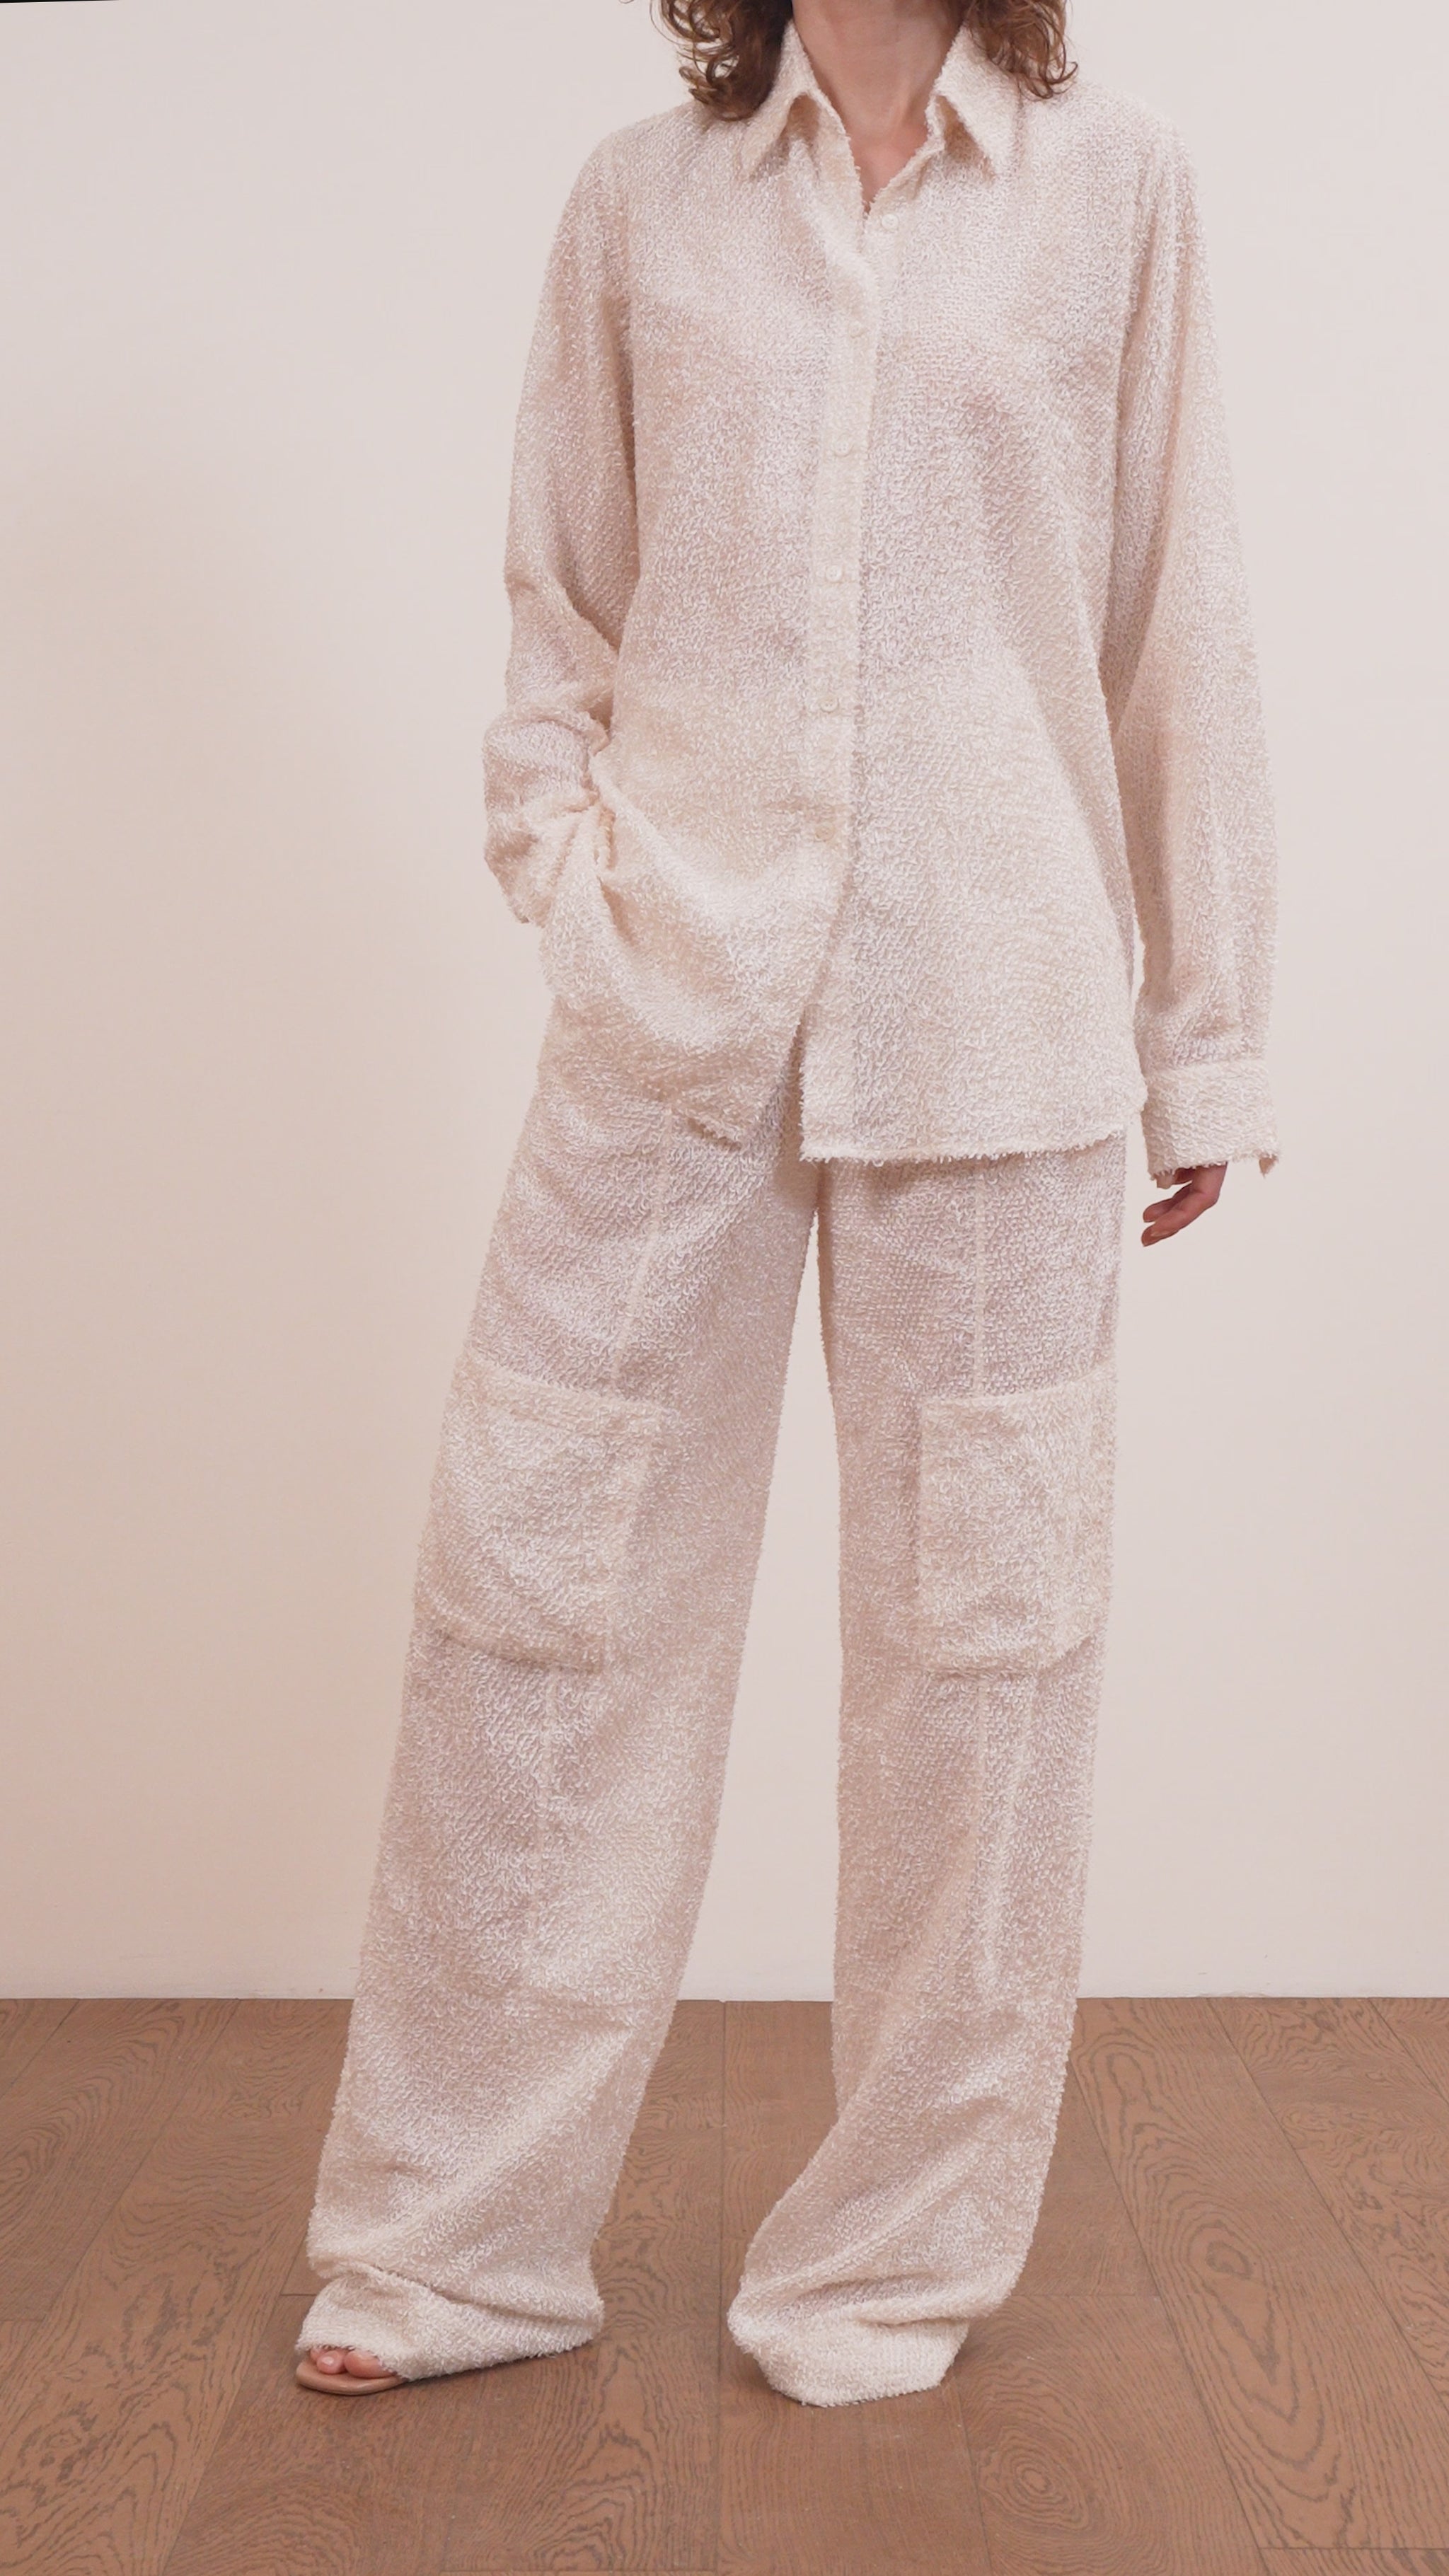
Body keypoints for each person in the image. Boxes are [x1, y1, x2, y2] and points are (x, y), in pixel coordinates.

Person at [295, 0, 1277, 2408]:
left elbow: (1180, 611)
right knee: (542, 1607)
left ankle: (887, 2268)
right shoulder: (640, 205)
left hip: (998, 1017)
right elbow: (561, 594)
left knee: (982, 1670)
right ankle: (452, 2246)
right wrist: (570, 871)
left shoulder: (1118, 190)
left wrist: (1207, 1033)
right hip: (672, 1018)